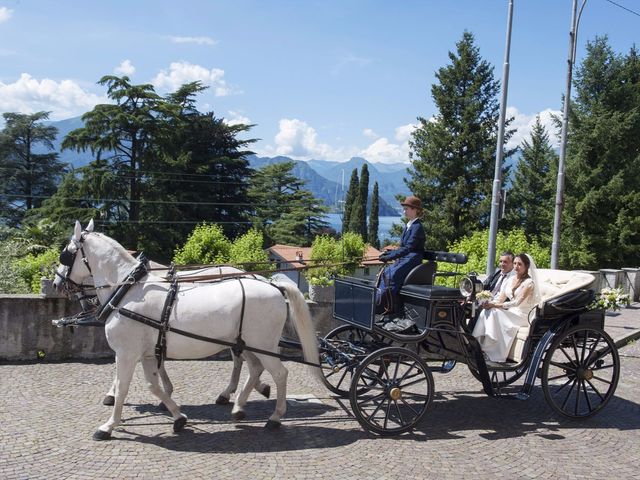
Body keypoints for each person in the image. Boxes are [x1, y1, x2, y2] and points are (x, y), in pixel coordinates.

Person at [472, 253, 541, 363]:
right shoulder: (511, 279)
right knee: (487, 310)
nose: (516, 267)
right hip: (511, 311)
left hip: (522, 315)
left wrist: (494, 306)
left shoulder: (529, 283)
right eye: (514, 264)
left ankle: (494, 353)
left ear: (526, 266)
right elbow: (501, 299)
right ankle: (479, 345)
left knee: (494, 312)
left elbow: (516, 303)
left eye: (519, 264)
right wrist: (488, 303)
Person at [376, 195, 426, 314]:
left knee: (392, 276)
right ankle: (382, 302)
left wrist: (391, 256)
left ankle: (387, 307)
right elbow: (402, 247)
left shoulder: (417, 227)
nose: (404, 211)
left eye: (406, 209)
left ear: (415, 210)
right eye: (404, 209)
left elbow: (409, 248)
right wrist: (389, 253)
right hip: (406, 257)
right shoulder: (409, 225)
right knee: (386, 272)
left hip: (413, 258)